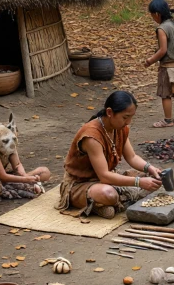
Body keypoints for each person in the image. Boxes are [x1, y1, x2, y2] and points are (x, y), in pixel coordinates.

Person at [57, 90, 162, 218]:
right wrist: (138, 182)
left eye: (131, 117)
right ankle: (109, 201)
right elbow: (104, 176)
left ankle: (111, 202)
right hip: (80, 184)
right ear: (109, 112)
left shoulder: (119, 128)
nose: (128, 122)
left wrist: (150, 168)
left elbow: (132, 157)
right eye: (125, 117)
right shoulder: (91, 137)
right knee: (109, 194)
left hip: (106, 179)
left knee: (155, 177)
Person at [143, 0, 174, 128]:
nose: (153, 18)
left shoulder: (162, 29)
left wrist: (150, 60)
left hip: (168, 67)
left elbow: (163, 50)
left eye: (152, 15)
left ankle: (167, 120)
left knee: (166, 94)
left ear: (157, 14)